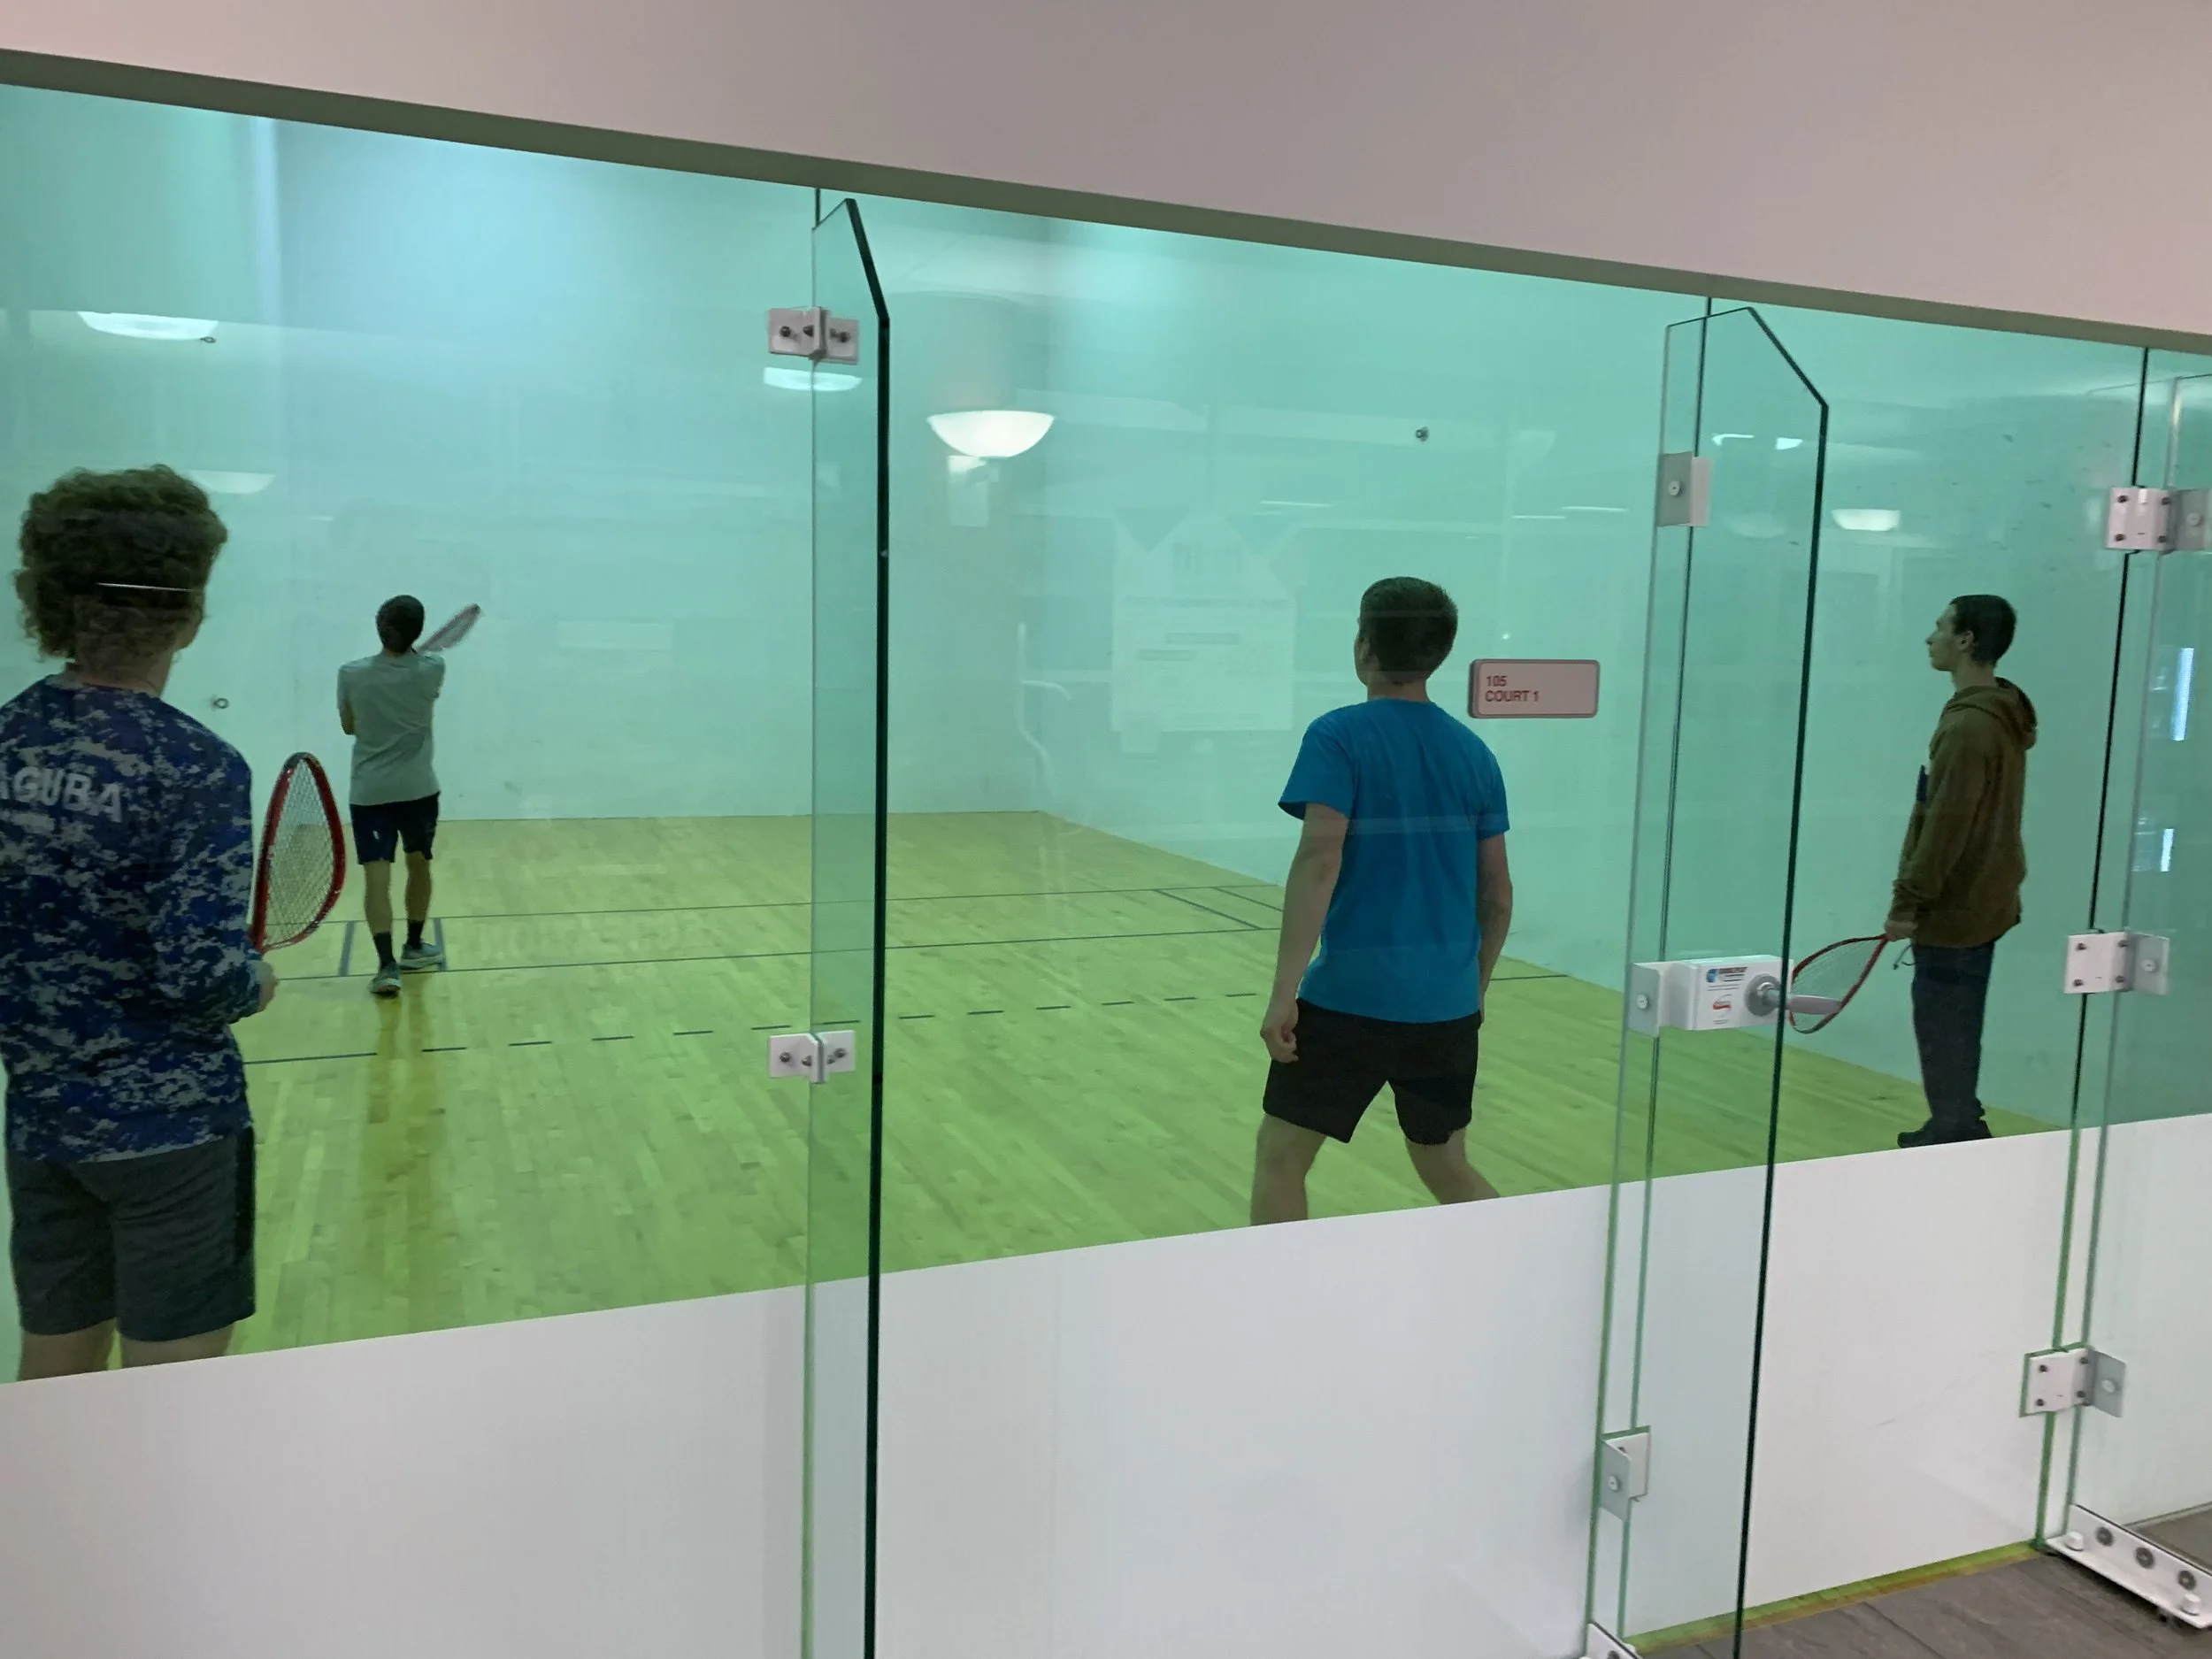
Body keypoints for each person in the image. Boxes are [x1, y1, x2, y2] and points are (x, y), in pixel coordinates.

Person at [0, 465, 277, 1379]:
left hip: (40, 1123)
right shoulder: (196, 767)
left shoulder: (5, 740)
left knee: (54, 1372)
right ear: (189, 617)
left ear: (49, 603)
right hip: (174, 1136)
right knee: (176, 1398)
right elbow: (199, 975)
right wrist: (254, 980)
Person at [1250, 576, 1513, 1224]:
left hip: (1350, 1002)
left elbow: (1320, 860)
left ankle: (1274, 1287)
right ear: (1439, 654)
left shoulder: (1338, 736)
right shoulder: (1474, 753)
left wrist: (1284, 993)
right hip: (1446, 1009)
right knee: (1444, 1162)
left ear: (1364, 647)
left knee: (1282, 1156)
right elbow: (1498, 896)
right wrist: (1475, 987)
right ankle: (1521, 1264)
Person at [1886, 594, 2036, 1148]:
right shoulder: (2000, 713)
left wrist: (1907, 903)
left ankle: (1953, 1129)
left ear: (1967, 640)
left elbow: (1944, 827)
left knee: (1942, 1024)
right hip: (1987, 897)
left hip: (1955, 906)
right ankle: (1961, 1120)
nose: (1931, 638)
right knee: (1959, 1019)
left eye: (1940, 627)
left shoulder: (1969, 728)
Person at [338, 595, 449, 996]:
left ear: (379, 627)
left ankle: (386, 967)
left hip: (370, 792)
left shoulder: (350, 673)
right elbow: (422, 666)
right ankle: (414, 947)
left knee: (376, 878)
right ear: (417, 630)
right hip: (418, 789)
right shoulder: (433, 669)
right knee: (419, 864)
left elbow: (349, 726)